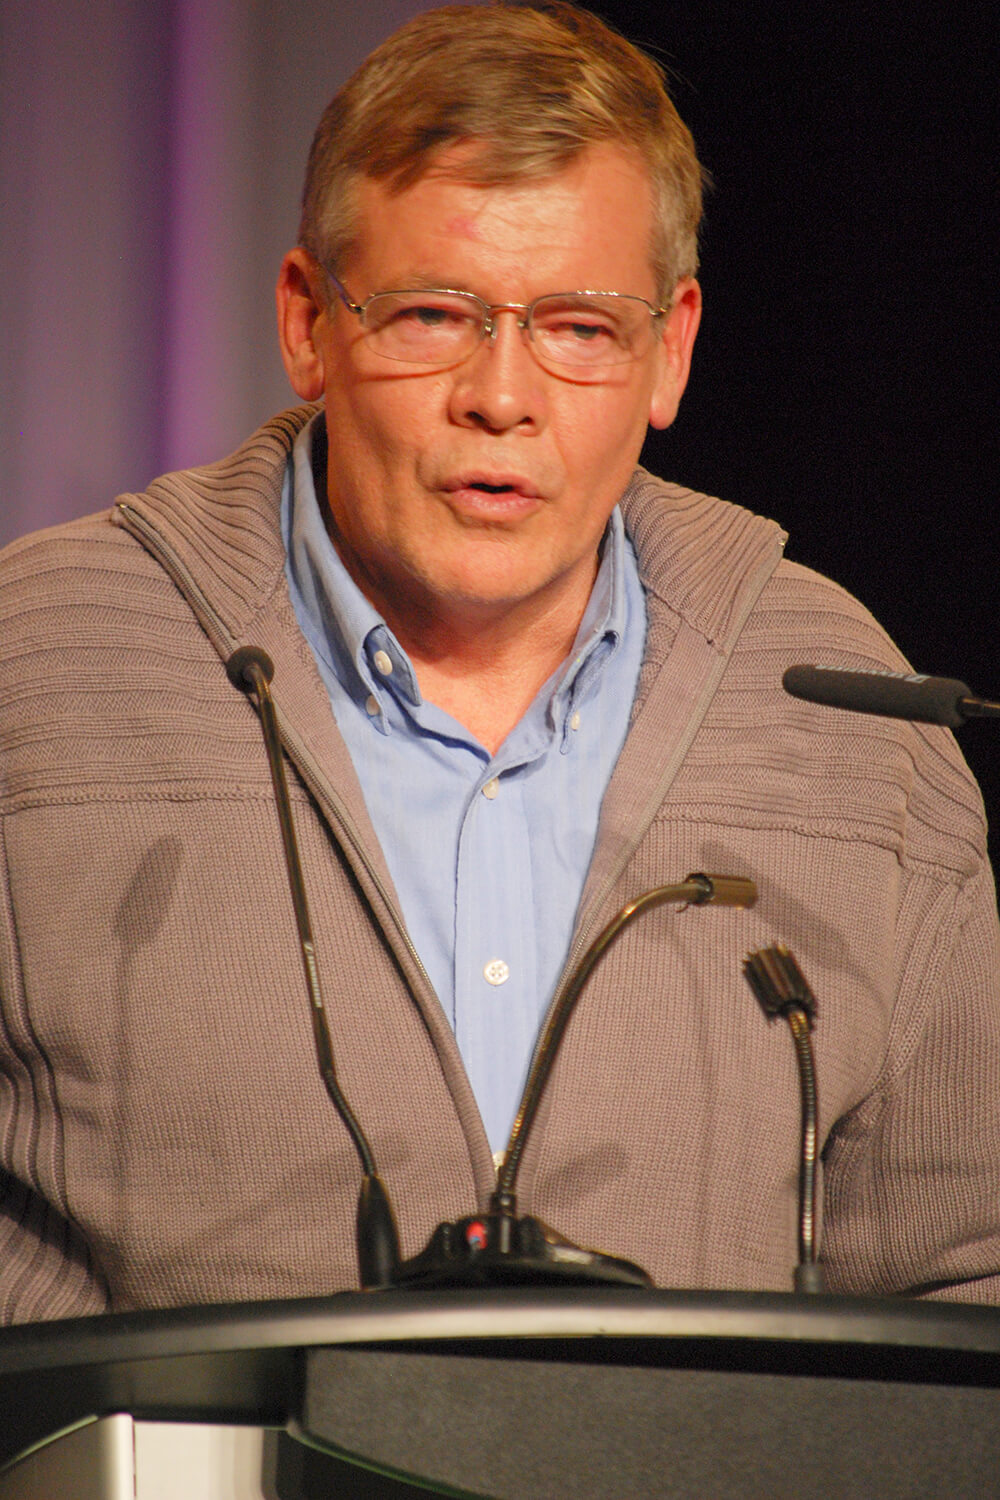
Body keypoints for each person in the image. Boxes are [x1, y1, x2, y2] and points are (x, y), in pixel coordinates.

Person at [0, 0, 997, 1326]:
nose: (505, 395)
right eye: (433, 314)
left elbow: (958, 1282)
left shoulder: (846, 716)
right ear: (308, 320)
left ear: (671, 351)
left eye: (580, 329)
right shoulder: (41, 666)